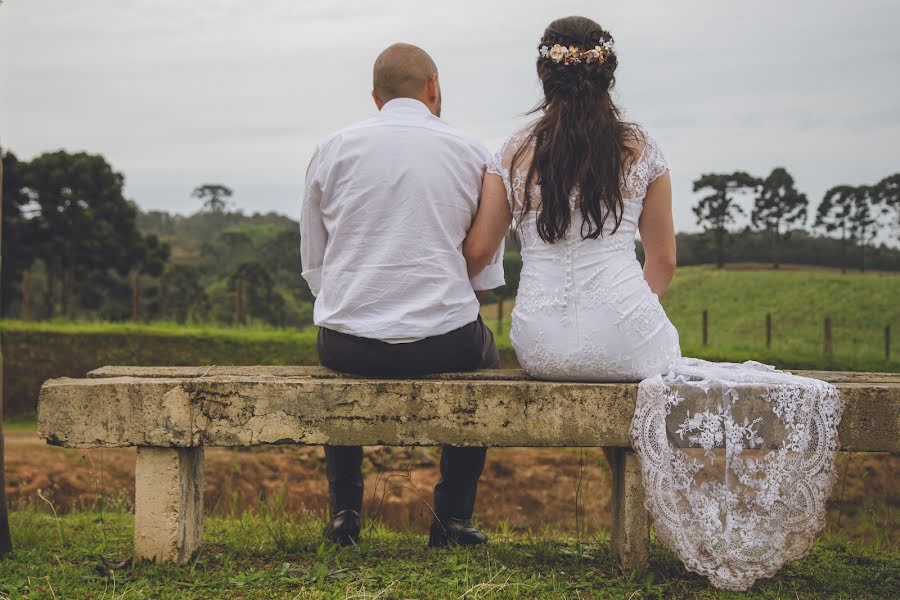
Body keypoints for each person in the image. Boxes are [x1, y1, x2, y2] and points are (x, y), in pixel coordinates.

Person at [462, 16, 843, 591]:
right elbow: (662, 263)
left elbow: (481, 249)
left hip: (538, 344)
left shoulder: (512, 152)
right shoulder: (642, 148)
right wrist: (633, 309)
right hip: (626, 332)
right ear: (608, 73)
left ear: (543, 73)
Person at [300, 43, 504, 548]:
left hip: (347, 345)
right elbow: (482, 271)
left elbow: (313, 260)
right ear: (433, 85)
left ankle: (345, 512)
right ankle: (452, 518)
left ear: (376, 97)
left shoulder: (332, 148)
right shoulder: (473, 151)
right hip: (447, 342)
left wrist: (353, 308)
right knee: (486, 358)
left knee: (335, 355)